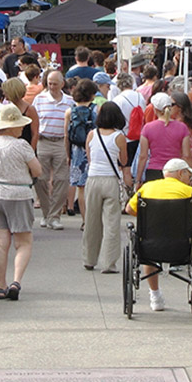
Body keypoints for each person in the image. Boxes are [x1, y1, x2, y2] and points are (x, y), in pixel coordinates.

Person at [125, 158, 192, 311]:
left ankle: (155, 295)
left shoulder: (147, 188)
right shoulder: (191, 193)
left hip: (149, 247)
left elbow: (129, 210)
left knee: (145, 242)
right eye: (188, 176)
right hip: (181, 248)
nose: (189, 179)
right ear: (180, 173)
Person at [0, 104, 42, 301]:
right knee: (23, 242)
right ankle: (16, 281)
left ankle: (1, 285)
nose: (22, 128)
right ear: (12, 126)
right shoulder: (21, 146)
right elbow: (37, 170)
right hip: (18, 194)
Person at [82, 102, 131, 273]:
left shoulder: (91, 134)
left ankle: (89, 259)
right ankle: (109, 263)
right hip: (111, 180)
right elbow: (123, 161)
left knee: (91, 221)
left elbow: (89, 158)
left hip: (93, 179)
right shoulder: (119, 136)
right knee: (111, 223)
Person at [32, 70, 75, 230]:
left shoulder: (70, 101)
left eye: (55, 84)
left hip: (61, 143)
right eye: (49, 83)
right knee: (40, 179)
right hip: (43, 141)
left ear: (62, 84)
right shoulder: (39, 99)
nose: (52, 87)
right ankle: (46, 213)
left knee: (62, 180)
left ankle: (55, 216)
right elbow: (34, 121)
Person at [136, 93, 191, 186]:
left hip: (154, 171)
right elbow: (186, 155)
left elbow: (143, 156)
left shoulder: (148, 128)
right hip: (175, 171)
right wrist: (191, 177)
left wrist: (138, 179)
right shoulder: (182, 127)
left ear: (155, 109)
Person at [65, 79, 98, 223]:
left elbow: (66, 135)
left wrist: (68, 155)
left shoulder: (69, 111)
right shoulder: (96, 109)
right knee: (93, 188)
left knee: (81, 189)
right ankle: (93, 219)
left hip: (77, 151)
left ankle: (85, 221)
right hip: (93, 150)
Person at [113, 73, 146, 160]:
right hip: (140, 136)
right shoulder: (140, 96)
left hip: (124, 137)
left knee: (125, 169)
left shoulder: (117, 100)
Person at [2, 78, 39, 150]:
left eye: (5, 91)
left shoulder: (30, 109)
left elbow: (35, 134)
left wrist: (31, 151)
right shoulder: (7, 108)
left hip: (26, 148)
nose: (3, 94)